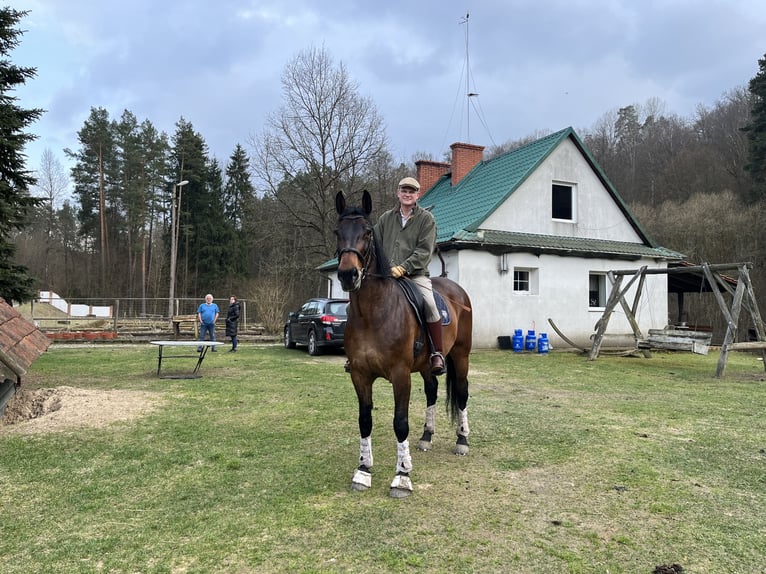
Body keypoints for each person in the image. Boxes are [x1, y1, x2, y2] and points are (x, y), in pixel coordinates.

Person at [374, 176, 445, 375]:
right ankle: (358, 353)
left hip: (414, 275)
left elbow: (424, 251)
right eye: (404, 190)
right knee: (354, 304)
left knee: (430, 304)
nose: (407, 194)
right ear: (398, 193)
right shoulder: (385, 218)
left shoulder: (426, 219)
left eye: (411, 191)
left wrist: (403, 267)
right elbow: (375, 244)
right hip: (385, 277)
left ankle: (436, 353)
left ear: (417, 195)